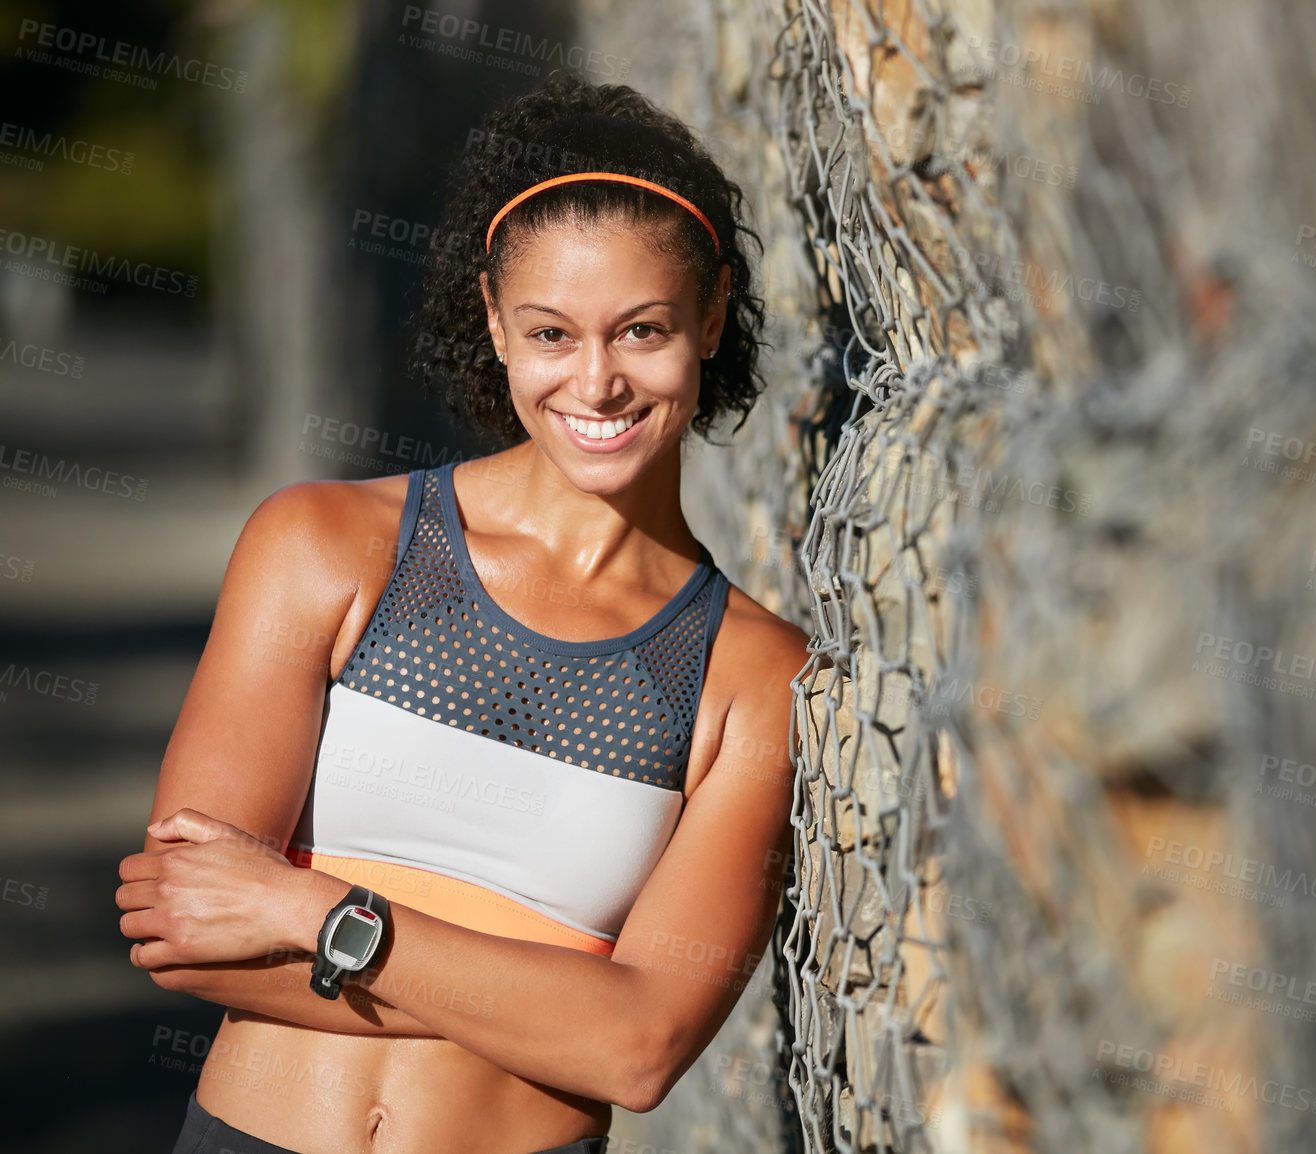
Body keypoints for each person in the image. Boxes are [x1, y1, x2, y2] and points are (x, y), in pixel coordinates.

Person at [115, 70, 810, 1154]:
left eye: (641, 331)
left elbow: (639, 1048)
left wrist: (310, 910)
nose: (597, 382)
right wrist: (552, 1003)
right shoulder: (325, 547)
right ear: (491, 321)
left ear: (711, 317)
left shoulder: (753, 676)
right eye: (549, 333)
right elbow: (183, 929)